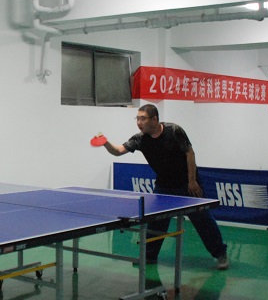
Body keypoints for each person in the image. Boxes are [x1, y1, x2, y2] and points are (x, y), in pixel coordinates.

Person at [97, 104, 228, 270]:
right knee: (156, 222)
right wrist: (105, 142)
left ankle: (220, 254)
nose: (139, 122)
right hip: (164, 185)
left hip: (187, 184)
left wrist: (192, 181)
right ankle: (149, 256)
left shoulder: (174, 131)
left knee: (203, 220)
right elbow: (118, 151)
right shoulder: (140, 139)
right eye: (137, 119)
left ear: (154, 119)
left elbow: (189, 153)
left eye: (142, 119)